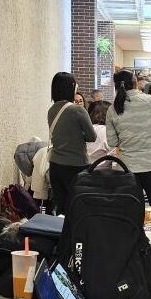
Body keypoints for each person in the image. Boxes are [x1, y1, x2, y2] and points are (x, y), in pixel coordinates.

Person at [106, 70, 151, 204]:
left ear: (116, 86)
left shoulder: (112, 109)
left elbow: (112, 142)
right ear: (135, 83)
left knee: (131, 210)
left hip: (127, 168)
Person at [47, 73, 96, 216]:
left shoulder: (52, 110)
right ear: (71, 88)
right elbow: (92, 136)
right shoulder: (78, 110)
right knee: (79, 206)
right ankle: (78, 237)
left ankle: (63, 236)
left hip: (55, 165)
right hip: (76, 165)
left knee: (62, 207)